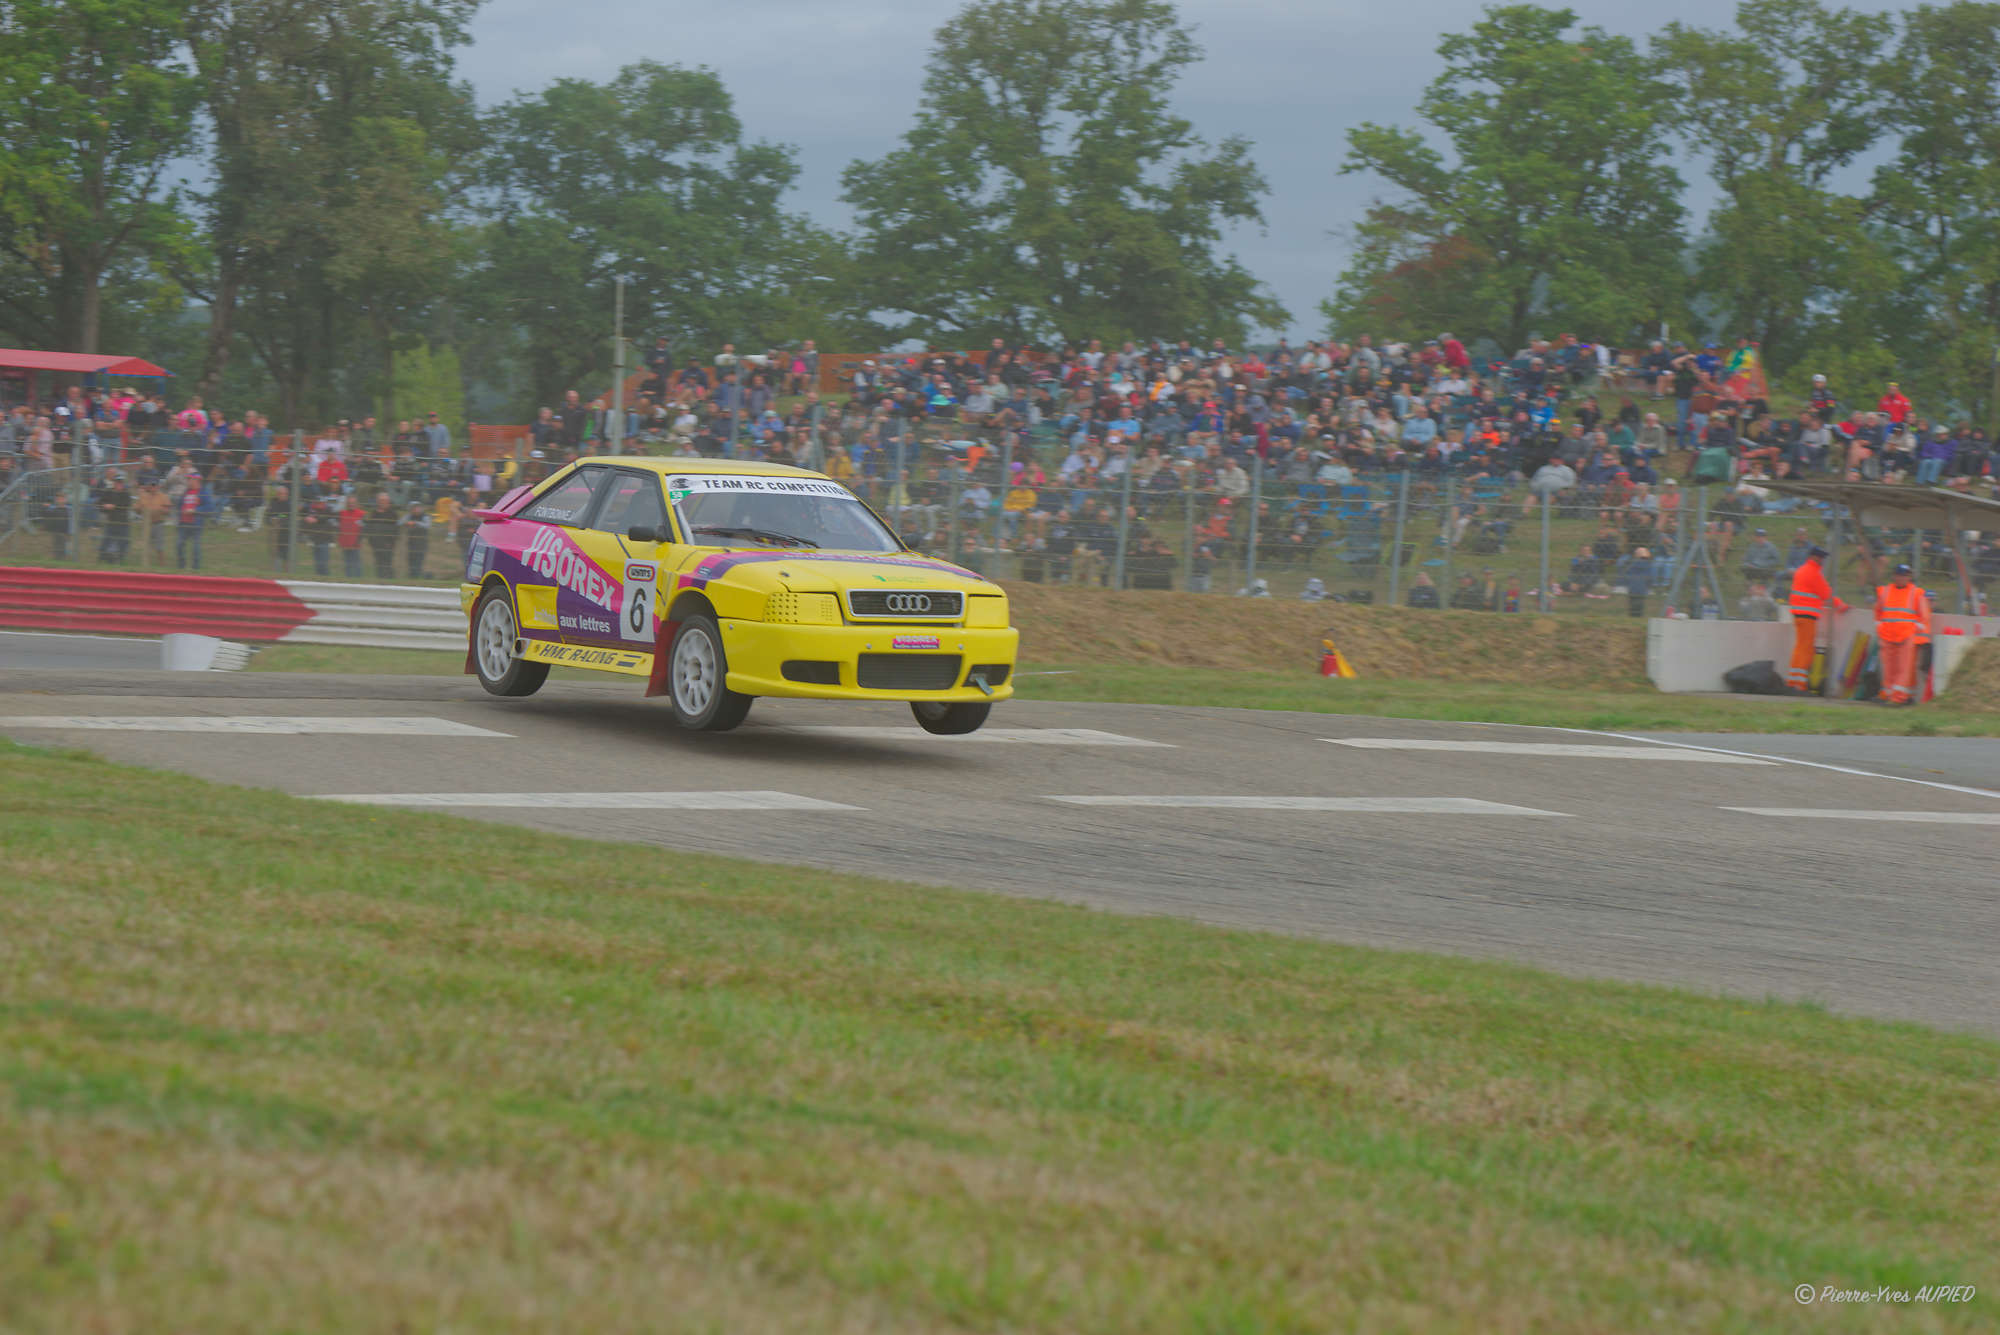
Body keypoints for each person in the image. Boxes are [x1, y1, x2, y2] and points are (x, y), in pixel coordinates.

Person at [1785, 544, 1848, 693]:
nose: (1823, 561)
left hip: (1798, 615)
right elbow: (1826, 593)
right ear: (1814, 557)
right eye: (1821, 558)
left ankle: (1792, 681)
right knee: (1806, 649)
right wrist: (1841, 606)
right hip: (1808, 616)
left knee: (1799, 647)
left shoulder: (1800, 571)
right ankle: (1799, 684)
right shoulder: (1813, 573)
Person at [1872, 563, 1931, 706]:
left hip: (1906, 636)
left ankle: (1898, 697)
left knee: (1903, 668)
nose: (1902, 578)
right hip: (1887, 635)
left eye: (1905, 575)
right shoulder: (1884, 592)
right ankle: (1888, 693)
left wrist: (1919, 635)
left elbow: (1924, 617)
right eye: (1899, 575)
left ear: (1909, 577)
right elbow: (1878, 611)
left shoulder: (1916, 593)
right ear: (1894, 576)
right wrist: (1880, 626)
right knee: (1888, 668)